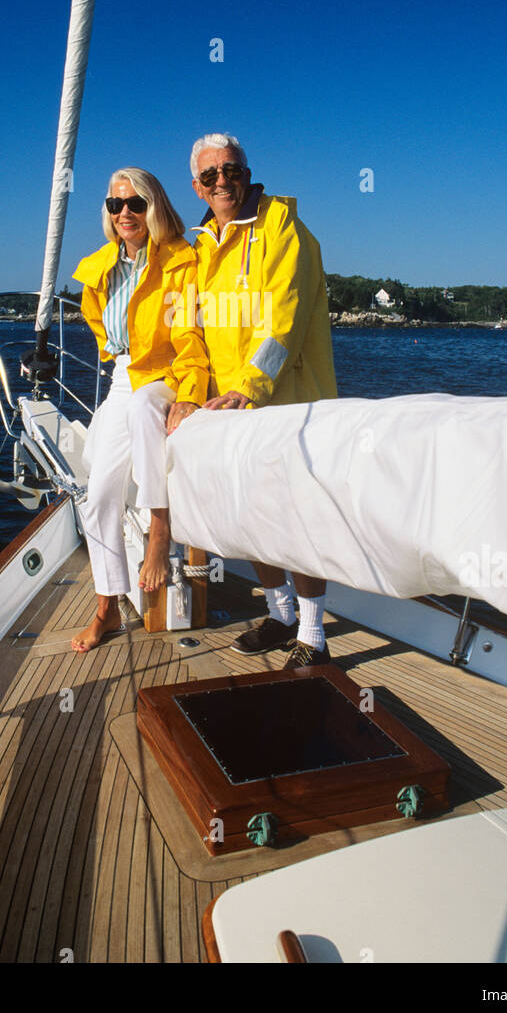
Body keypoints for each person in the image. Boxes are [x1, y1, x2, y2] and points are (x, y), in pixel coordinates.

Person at [191, 133, 338, 667]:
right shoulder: (201, 245)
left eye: (231, 170)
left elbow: (285, 321)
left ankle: (314, 638)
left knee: (296, 521)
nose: (223, 180)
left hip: (285, 404)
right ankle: (280, 616)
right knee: (254, 519)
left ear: (247, 173)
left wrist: (248, 388)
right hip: (228, 411)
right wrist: (193, 396)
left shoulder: (282, 228)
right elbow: (194, 332)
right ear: (198, 187)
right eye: (211, 175)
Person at [70, 167, 209, 652]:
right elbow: (99, 323)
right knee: (99, 496)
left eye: (136, 204)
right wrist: (116, 357)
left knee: (148, 406)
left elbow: (190, 334)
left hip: (165, 374)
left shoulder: (178, 261)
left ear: (154, 206)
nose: (125, 213)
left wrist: (190, 391)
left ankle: (160, 527)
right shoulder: (102, 267)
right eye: (116, 205)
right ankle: (106, 609)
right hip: (123, 376)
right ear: (108, 213)